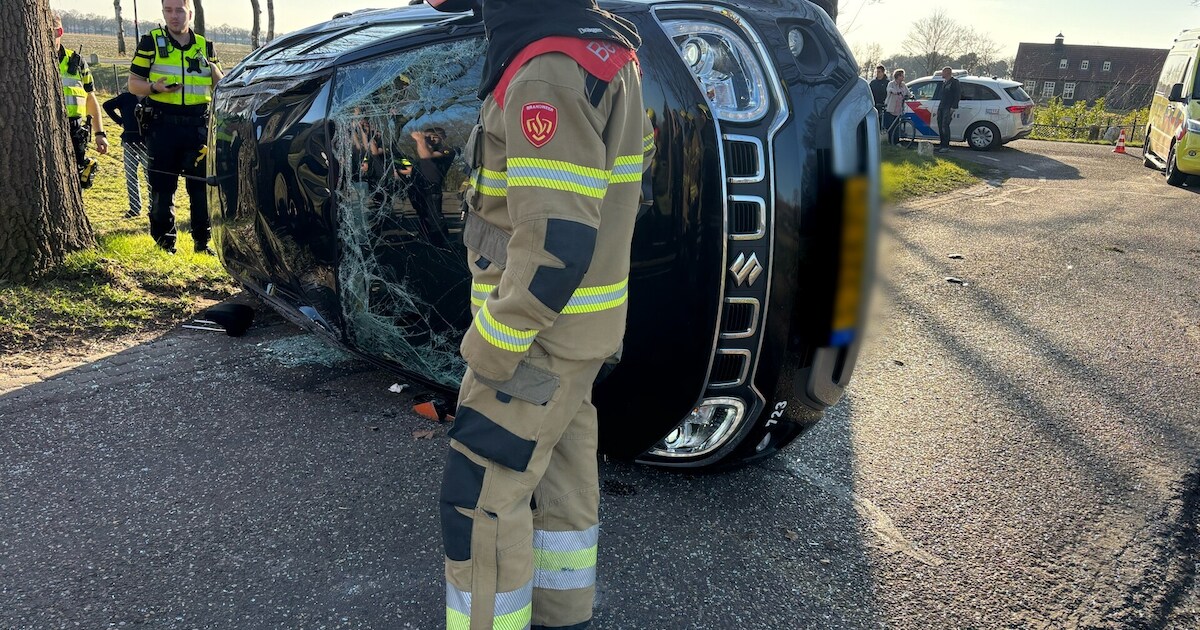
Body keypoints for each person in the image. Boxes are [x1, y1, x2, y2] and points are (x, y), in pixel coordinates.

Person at [427, 0, 654, 628]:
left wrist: (494, 347)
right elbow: (615, 183)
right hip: (578, 337)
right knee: (560, 492)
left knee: (479, 501)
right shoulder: (603, 49)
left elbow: (556, 244)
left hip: (534, 345)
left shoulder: (546, 68)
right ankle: (562, 616)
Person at [127, 0, 224, 254]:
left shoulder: (205, 46)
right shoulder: (151, 43)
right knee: (162, 189)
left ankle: (202, 244)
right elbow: (133, 84)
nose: (174, 16)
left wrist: (215, 72)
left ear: (190, 13)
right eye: (168, 10)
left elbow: (220, 87)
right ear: (163, 13)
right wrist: (152, 88)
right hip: (163, 127)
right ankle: (164, 246)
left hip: (197, 128)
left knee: (201, 190)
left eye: (179, 10)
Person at [53, 13, 108, 189]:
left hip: (74, 130)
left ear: (59, 31)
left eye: (49, 32)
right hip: (42, 129)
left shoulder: (76, 62)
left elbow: (90, 98)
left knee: (74, 182)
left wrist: (100, 133)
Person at [102, 91, 149, 218]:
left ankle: (153, 208)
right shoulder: (125, 97)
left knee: (150, 176)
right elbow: (107, 105)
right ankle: (134, 209)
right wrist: (120, 121)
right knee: (131, 176)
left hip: (147, 143)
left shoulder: (151, 97)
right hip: (129, 141)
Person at [937, 66, 961, 153]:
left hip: (948, 107)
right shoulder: (945, 82)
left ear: (947, 72)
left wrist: (953, 107)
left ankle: (945, 146)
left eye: (943, 72)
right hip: (942, 106)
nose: (942, 74)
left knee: (945, 126)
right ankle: (942, 144)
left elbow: (957, 95)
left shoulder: (954, 82)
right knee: (940, 125)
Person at [884, 68, 910, 145]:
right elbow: (889, 89)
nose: (903, 78)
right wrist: (894, 91)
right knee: (891, 126)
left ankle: (896, 141)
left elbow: (908, 93)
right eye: (902, 76)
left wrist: (911, 96)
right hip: (891, 108)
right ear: (898, 76)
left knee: (897, 126)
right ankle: (890, 142)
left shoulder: (903, 85)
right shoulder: (891, 84)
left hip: (899, 109)